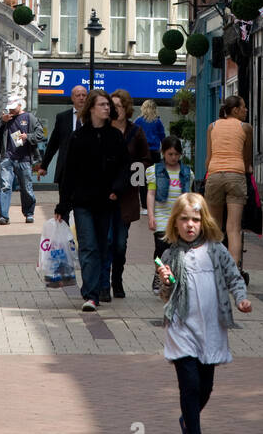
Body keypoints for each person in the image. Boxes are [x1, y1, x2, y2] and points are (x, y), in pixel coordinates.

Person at [157, 193, 251, 434]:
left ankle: (188, 418)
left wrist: (241, 298)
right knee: (189, 384)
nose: (190, 225)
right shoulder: (169, 254)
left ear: (204, 221)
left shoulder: (216, 249)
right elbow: (163, 294)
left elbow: (234, 277)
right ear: (175, 223)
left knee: (205, 386)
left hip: (211, 328)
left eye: (195, 219)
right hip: (181, 327)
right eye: (184, 219)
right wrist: (164, 280)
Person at [55, 91, 130, 311]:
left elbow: (125, 167)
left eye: (108, 105)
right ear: (91, 109)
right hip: (83, 202)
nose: (107, 108)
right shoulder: (78, 137)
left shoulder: (115, 137)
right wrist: (63, 205)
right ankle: (91, 294)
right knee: (88, 246)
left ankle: (95, 288)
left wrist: (117, 189)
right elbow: (69, 173)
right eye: (102, 104)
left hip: (106, 201)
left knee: (102, 246)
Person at [100, 90, 150, 301]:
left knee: (120, 243)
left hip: (127, 196)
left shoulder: (136, 132)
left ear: (126, 108)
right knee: (107, 240)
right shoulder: (103, 130)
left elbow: (146, 159)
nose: (115, 109)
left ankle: (117, 279)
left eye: (119, 106)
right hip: (104, 194)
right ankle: (103, 285)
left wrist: (132, 175)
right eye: (112, 105)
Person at [204, 94, 253, 270]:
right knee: (233, 227)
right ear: (235, 110)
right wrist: (246, 168)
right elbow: (247, 158)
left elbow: (208, 159)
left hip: (215, 174)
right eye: (243, 107)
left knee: (215, 225)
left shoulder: (212, 127)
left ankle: (212, 266)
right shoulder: (245, 128)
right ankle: (233, 269)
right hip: (235, 175)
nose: (246, 110)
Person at [147, 135, 193, 290]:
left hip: (180, 218)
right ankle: (158, 274)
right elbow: (151, 194)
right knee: (161, 249)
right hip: (161, 216)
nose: (173, 158)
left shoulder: (187, 173)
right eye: (170, 154)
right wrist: (151, 216)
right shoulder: (155, 171)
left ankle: (174, 278)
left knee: (178, 250)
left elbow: (190, 197)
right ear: (163, 153)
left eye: (176, 154)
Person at [0, 95, 44, 225]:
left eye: (13, 108)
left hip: (24, 158)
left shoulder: (29, 118)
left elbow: (40, 134)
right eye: (9, 108)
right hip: (8, 157)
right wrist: (2, 121)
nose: (10, 111)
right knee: (5, 186)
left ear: (20, 105)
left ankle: (29, 213)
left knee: (26, 187)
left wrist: (28, 136)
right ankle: (3, 216)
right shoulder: (6, 118)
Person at [36, 85, 88, 190]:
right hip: (66, 168)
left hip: (86, 167)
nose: (81, 98)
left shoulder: (93, 117)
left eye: (84, 95)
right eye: (78, 95)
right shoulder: (63, 117)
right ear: (73, 98)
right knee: (65, 202)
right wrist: (44, 166)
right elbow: (53, 144)